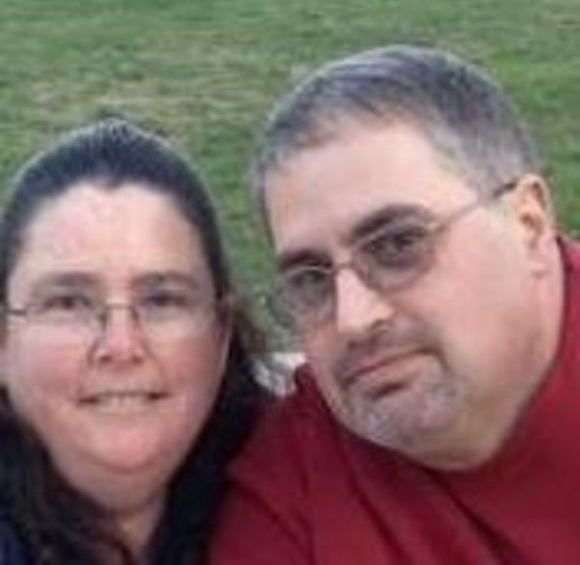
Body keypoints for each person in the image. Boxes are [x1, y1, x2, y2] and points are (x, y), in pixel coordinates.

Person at [211, 45, 580, 564]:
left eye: (398, 245)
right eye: (311, 279)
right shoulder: (296, 483)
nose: (353, 319)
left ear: (528, 225)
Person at [0, 118, 265, 564]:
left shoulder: (297, 502)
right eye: (69, 303)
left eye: (163, 300)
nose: (121, 346)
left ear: (221, 335)